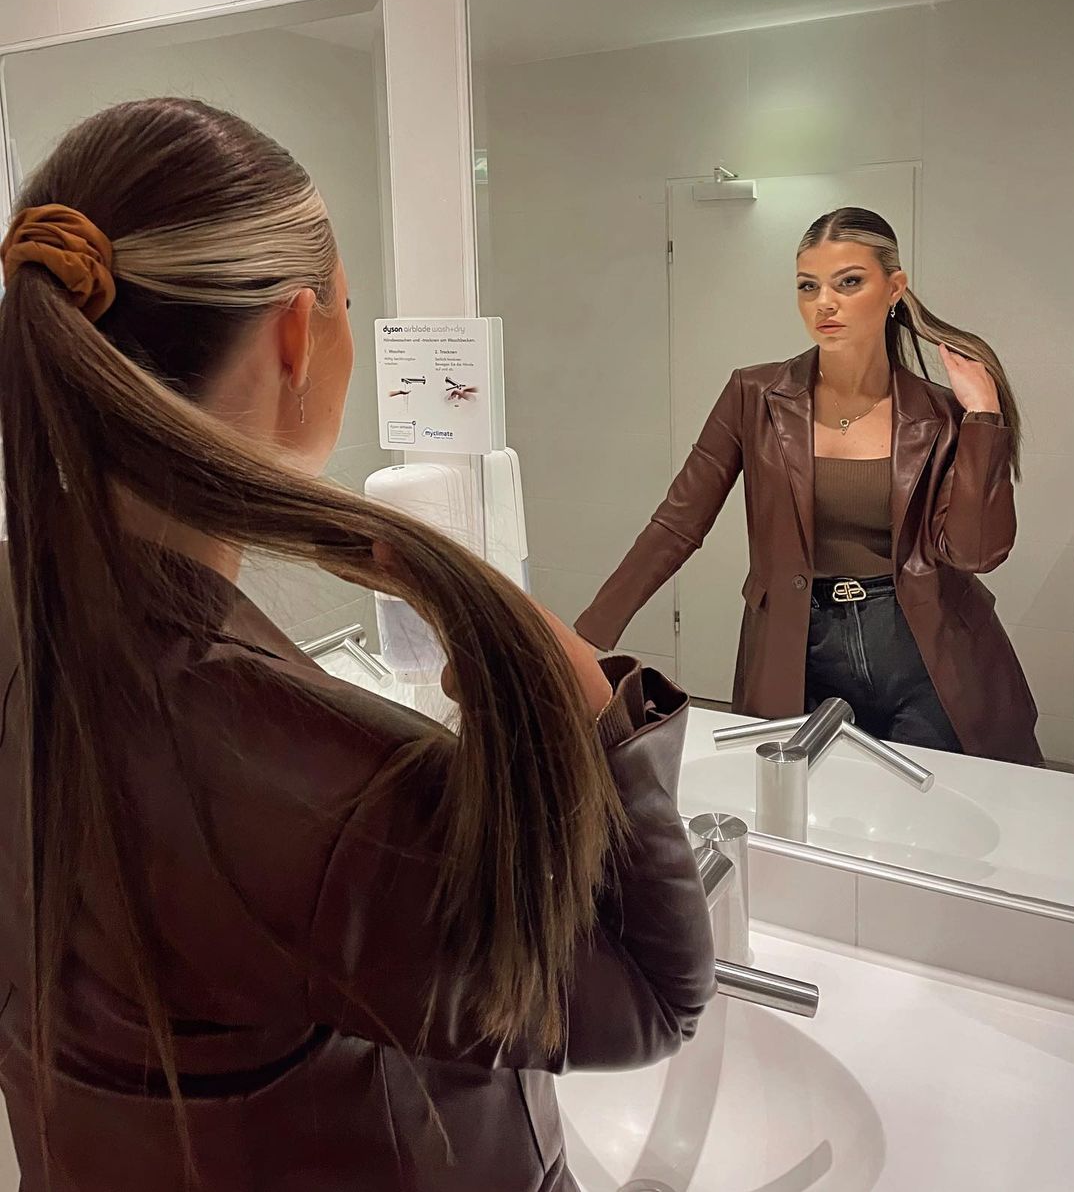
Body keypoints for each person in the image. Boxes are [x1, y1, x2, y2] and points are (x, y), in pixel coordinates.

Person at [0, 98, 716, 1191]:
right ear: (297, 336)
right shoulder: (317, 789)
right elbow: (654, 994)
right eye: (347, 303)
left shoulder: (29, 625)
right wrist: (577, 687)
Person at [576, 208, 1041, 767]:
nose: (825, 303)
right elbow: (678, 523)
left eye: (849, 282)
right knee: (803, 804)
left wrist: (984, 417)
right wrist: (588, 635)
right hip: (800, 648)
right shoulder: (754, 395)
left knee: (927, 809)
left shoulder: (940, 414)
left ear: (894, 288)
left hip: (925, 651)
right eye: (808, 286)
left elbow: (975, 553)